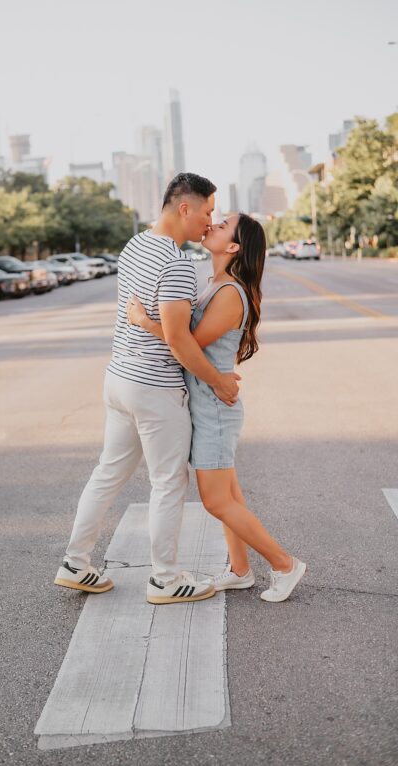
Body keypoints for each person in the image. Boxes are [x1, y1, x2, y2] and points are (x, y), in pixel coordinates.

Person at [53, 172, 240, 605]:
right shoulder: (174, 263)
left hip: (118, 378)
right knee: (168, 484)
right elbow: (178, 339)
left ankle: (75, 562)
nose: (208, 223)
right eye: (207, 212)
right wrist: (219, 383)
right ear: (185, 208)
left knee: (107, 473)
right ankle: (165, 579)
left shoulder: (136, 245)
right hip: (154, 388)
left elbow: (148, 320)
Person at [126, 213, 305, 602]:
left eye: (222, 225)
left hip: (215, 410)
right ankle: (240, 570)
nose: (213, 224)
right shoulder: (216, 284)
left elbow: (185, 342)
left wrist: (143, 321)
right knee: (231, 494)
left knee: (216, 500)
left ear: (234, 247)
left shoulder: (229, 293)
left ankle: (285, 564)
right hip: (208, 404)